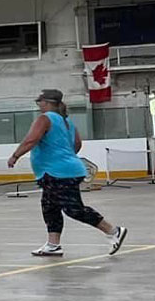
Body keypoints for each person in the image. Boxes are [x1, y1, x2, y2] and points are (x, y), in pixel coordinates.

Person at [8, 88, 128, 258]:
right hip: (59, 171)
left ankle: (113, 231)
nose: (39, 104)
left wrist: (15, 155)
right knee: (50, 207)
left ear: (48, 102)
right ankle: (53, 245)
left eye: (40, 101)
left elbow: (31, 139)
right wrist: (65, 156)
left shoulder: (45, 118)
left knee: (73, 209)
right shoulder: (67, 122)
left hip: (58, 173)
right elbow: (77, 144)